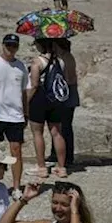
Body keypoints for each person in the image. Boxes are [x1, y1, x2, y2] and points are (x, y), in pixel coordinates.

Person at [0, 33, 31, 196]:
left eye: (14, 46)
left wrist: (26, 113)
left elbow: (24, 91)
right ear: (3, 45)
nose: (11, 49)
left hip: (15, 115)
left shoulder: (21, 66)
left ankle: (16, 187)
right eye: (8, 45)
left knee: (16, 150)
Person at [26, 38, 78, 180]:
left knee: (38, 133)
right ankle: (61, 168)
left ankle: (42, 167)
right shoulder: (60, 60)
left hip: (40, 99)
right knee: (57, 133)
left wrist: (25, 101)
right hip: (55, 99)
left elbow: (34, 84)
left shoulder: (37, 61)